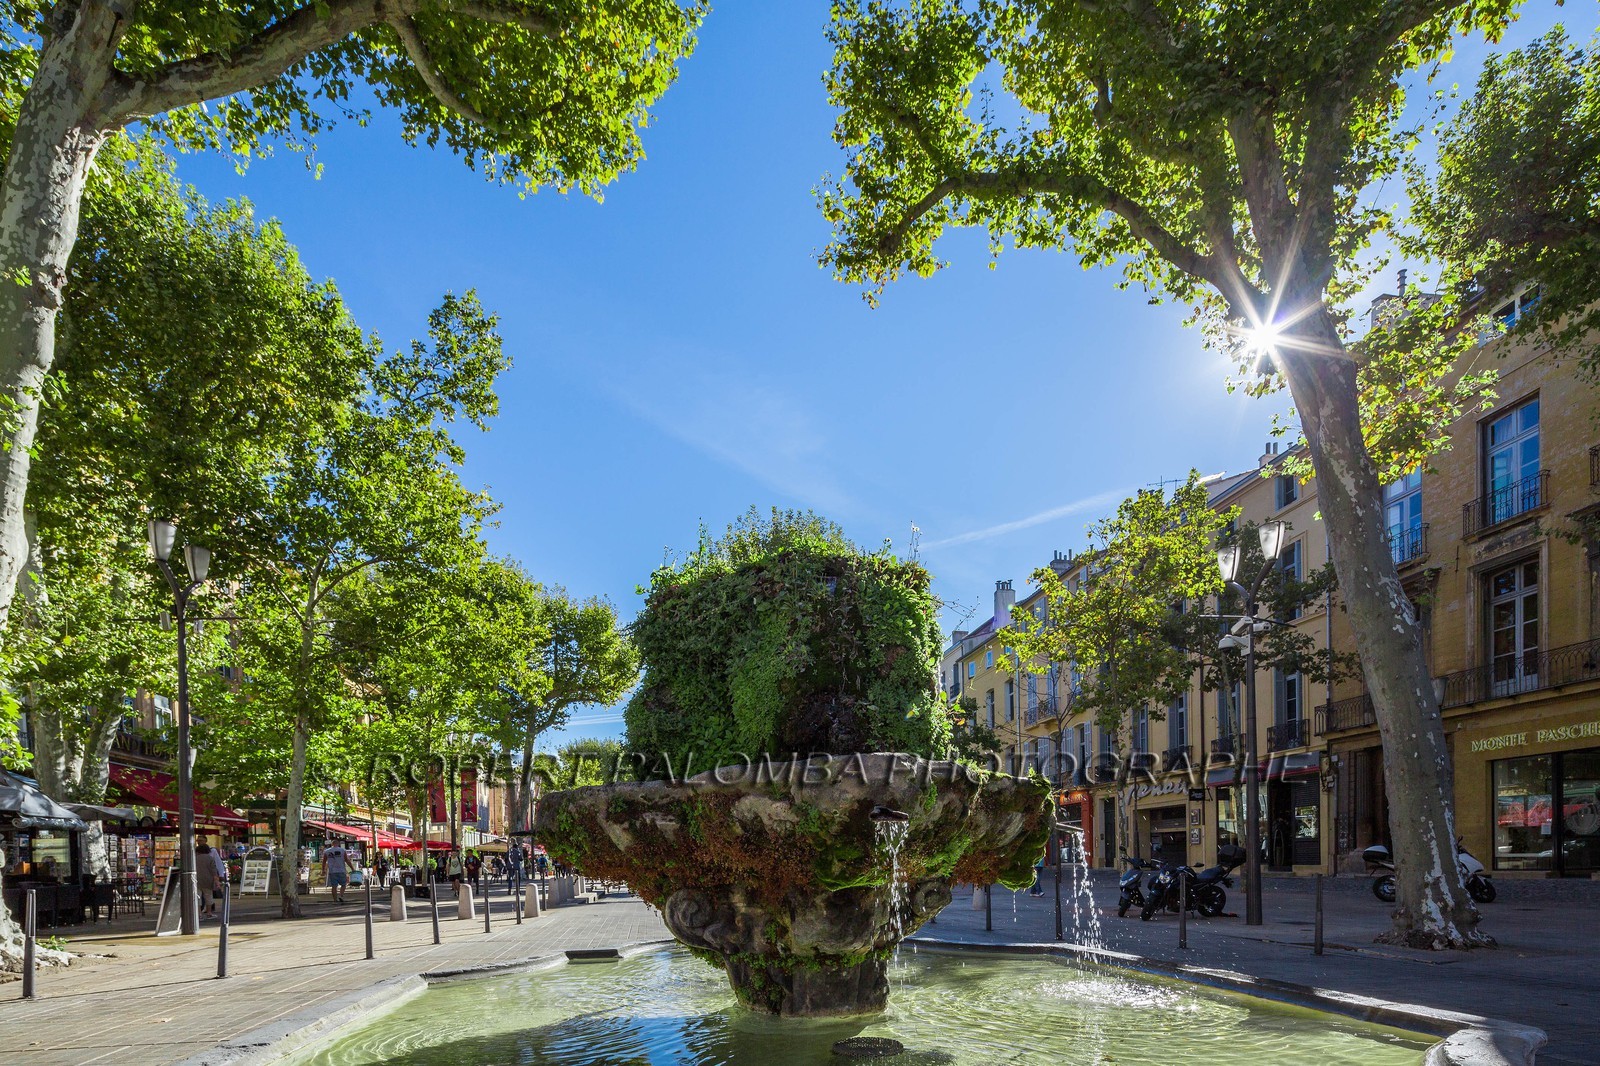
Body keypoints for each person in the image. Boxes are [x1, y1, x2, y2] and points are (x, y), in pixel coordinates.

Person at [194, 842, 219, 918]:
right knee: (208, 896)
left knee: (197, 897)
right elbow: (214, 871)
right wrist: (216, 881)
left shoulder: (194, 858)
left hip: (196, 879)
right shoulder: (210, 858)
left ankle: (199, 914)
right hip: (208, 880)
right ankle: (209, 913)